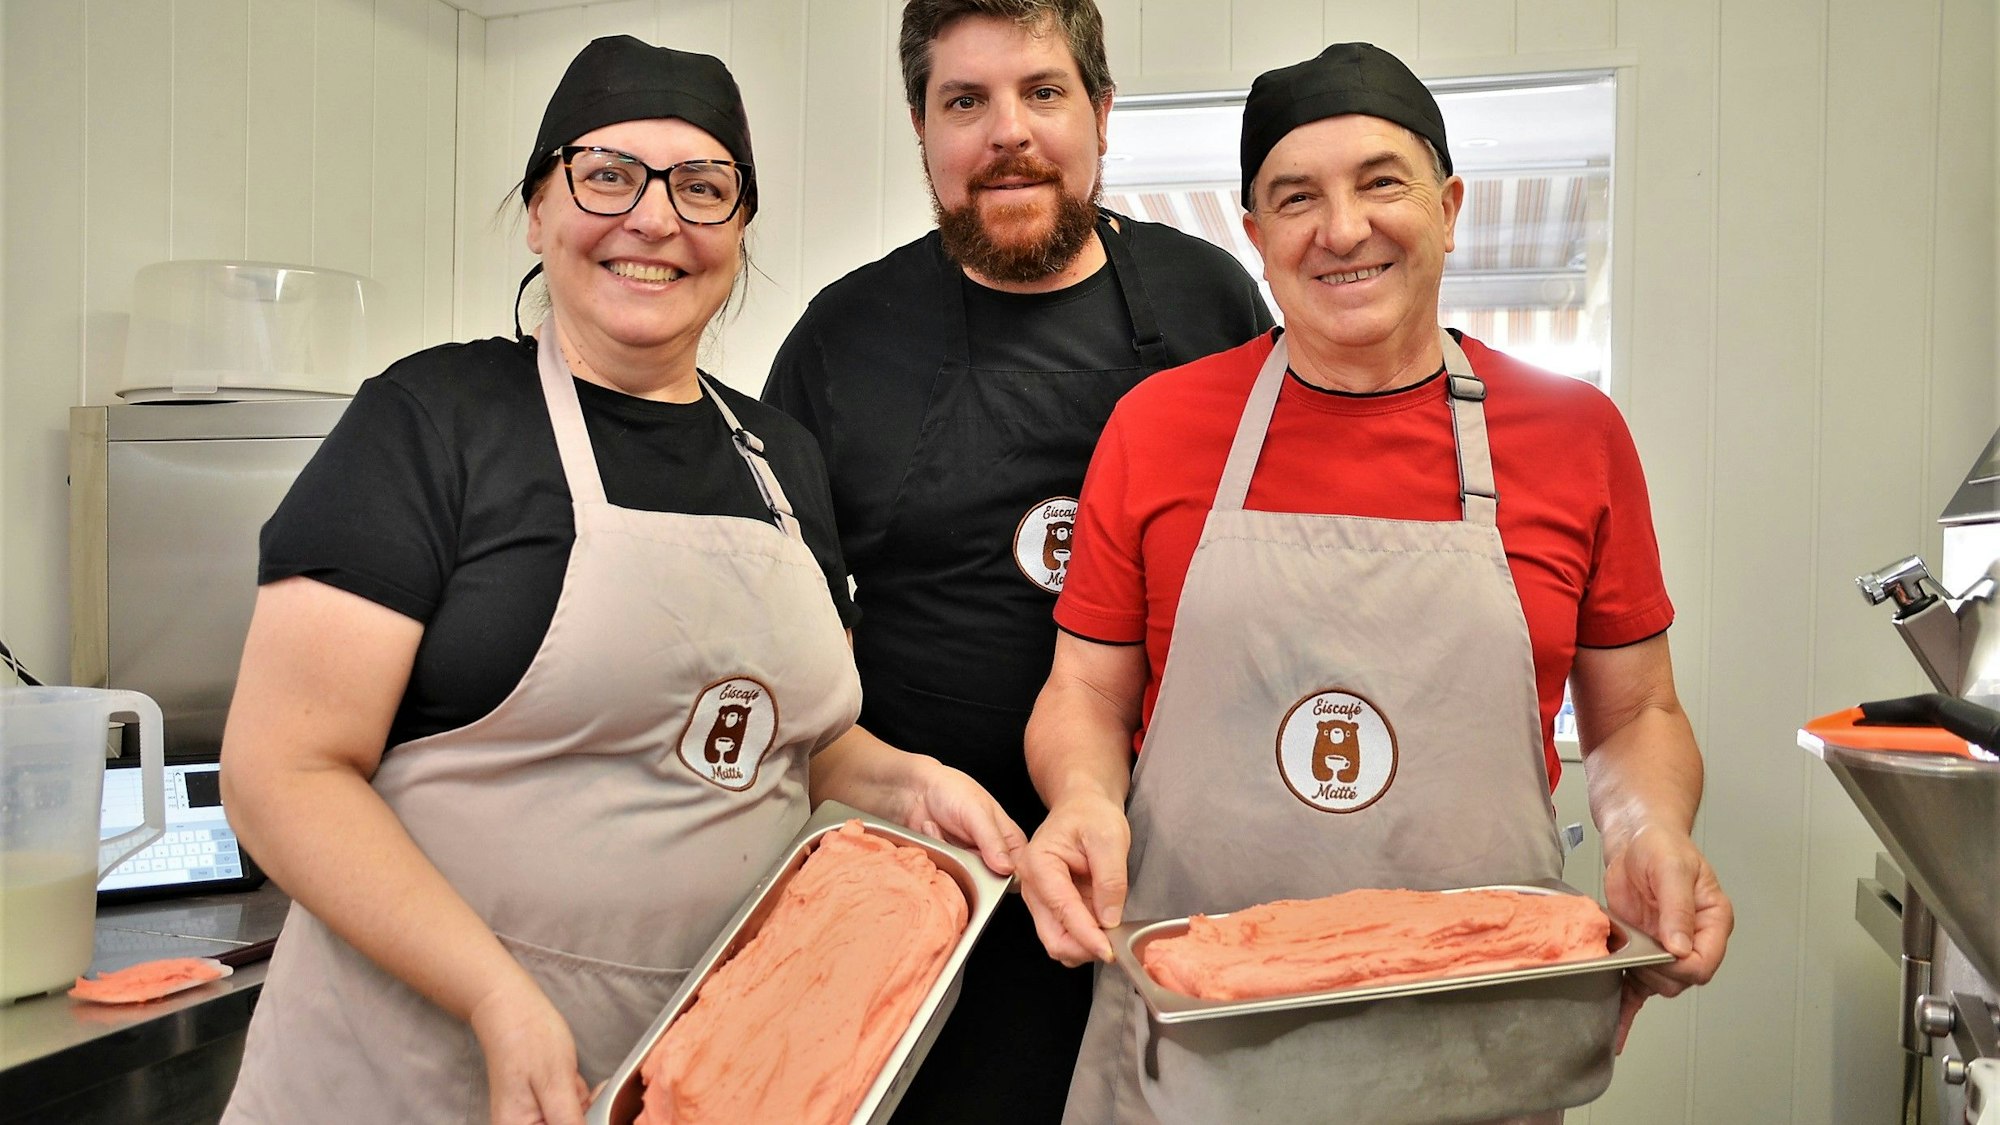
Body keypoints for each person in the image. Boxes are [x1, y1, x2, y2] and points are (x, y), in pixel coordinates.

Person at [219, 36, 1020, 1125]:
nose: (653, 220)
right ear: (538, 209)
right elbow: (284, 773)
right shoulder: (430, 422)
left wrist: (904, 784)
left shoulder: (780, 457)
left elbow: (780, 736)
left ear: (738, 231)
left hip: (695, 1078)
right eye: (607, 175)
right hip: (411, 1071)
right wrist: (496, 998)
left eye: (702, 188)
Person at [1016, 42, 1735, 1124]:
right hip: (1193, 1048)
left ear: (1448, 207)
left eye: (1380, 182)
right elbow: (1083, 692)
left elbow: (1636, 712)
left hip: (1473, 1045)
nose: (1341, 229)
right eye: (1294, 197)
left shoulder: (1574, 435)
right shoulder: (1158, 427)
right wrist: (1078, 798)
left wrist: (1645, 831)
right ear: (1254, 237)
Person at [760, 2, 1272, 1119]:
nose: (1008, 132)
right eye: (964, 101)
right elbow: (782, 643)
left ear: (1099, 112)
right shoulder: (843, 338)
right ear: (920, 127)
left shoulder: (1213, 306)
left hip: (1171, 875)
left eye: (1042, 92)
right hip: (923, 879)